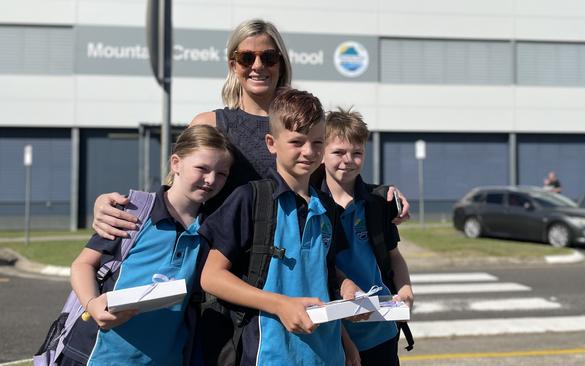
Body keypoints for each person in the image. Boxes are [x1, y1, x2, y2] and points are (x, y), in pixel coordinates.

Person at [90, 18, 410, 241]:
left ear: (280, 63)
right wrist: (111, 205)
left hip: (294, 267)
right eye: (246, 57)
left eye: (268, 57)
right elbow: (175, 195)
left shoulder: (307, 124)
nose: (258, 65)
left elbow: (339, 180)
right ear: (233, 65)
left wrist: (382, 194)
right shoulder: (211, 124)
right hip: (221, 274)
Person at [199, 88, 358, 366]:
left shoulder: (327, 207)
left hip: (327, 354)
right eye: (297, 142)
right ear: (271, 143)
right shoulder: (250, 199)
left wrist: (346, 288)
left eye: (317, 142)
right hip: (267, 354)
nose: (309, 151)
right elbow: (211, 277)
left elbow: (325, 272)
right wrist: (280, 304)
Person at [60, 125, 233, 365]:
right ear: (176, 163)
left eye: (221, 173)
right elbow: (83, 264)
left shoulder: (213, 228)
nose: (211, 179)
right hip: (99, 355)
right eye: (202, 168)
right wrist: (92, 304)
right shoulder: (133, 211)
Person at [317, 108, 413, 366]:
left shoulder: (378, 202)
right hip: (332, 333)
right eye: (338, 152)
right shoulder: (310, 204)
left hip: (381, 331)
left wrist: (405, 290)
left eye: (356, 153)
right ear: (321, 152)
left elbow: (394, 256)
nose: (347, 160)